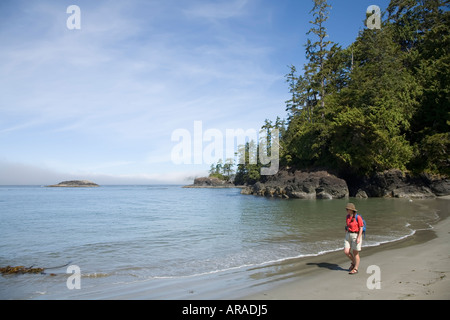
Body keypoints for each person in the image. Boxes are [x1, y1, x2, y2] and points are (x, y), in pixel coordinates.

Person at [344, 203, 364, 275]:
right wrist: (346, 229)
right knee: (346, 251)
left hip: (356, 235)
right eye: (346, 209)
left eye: (348, 209)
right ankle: (353, 262)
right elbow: (347, 225)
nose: (346, 210)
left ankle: (355, 268)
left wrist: (359, 238)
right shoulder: (347, 216)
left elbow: (361, 227)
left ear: (352, 210)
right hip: (348, 235)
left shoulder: (357, 217)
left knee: (355, 253)